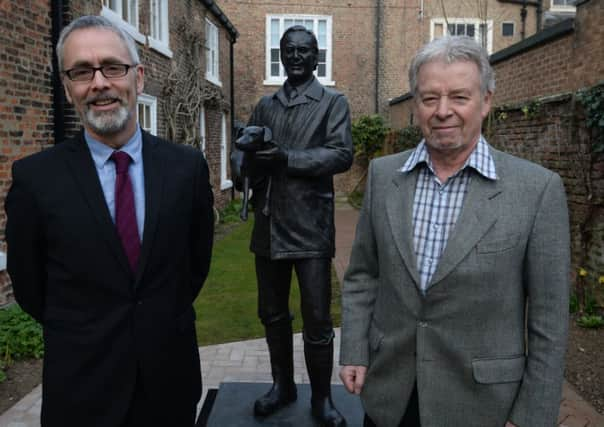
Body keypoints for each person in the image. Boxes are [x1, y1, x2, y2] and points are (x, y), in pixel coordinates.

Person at [339, 36, 570, 427]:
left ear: (486, 101)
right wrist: (355, 349)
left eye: (459, 97)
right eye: (430, 98)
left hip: (483, 406)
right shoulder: (383, 176)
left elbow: (549, 322)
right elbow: (363, 275)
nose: (443, 111)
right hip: (390, 396)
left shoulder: (537, 190)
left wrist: (531, 416)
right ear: (416, 105)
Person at [5, 15, 214, 427]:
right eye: (82, 71)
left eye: (112, 67)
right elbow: (30, 286)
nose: (99, 83)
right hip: (81, 391)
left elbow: (194, 266)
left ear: (138, 77)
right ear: (67, 88)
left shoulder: (186, 169)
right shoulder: (35, 179)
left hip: (168, 384)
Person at [241, 25, 353, 427]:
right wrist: (244, 162)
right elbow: (246, 158)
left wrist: (285, 158)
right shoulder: (266, 105)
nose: (296, 57)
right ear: (281, 54)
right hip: (269, 225)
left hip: (310, 227)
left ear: (316, 56)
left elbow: (341, 155)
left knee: (318, 319)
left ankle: (321, 399)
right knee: (272, 313)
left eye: (304, 51)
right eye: (289, 50)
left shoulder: (332, 104)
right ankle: (282, 385)